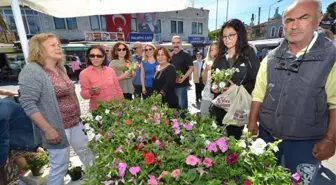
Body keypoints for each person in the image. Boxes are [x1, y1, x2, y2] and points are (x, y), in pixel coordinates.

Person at [248, 0, 336, 184]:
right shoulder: (271, 58)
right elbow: (259, 93)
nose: (294, 25)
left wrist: (330, 139)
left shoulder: (331, 57)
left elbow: (334, 103)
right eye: (288, 20)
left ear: (318, 20)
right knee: (261, 178)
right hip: (267, 134)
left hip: (305, 142)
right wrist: (252, 122)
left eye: (303, 17)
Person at [18, 33, 94, 185]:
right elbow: (28, 103)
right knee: (59, 166)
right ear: (40, 49)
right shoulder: (32, 70)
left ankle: (95, 180)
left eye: (58, 45)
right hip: (57, 129)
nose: (58, 47)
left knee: (88, 155)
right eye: (53, 45)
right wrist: (47, 129)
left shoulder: (60, 69)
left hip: (75, 123)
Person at [210, 19, 260, 140]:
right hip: (220, 108)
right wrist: (217, 87)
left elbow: (257, 83)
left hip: (238, 110)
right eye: (224, 36)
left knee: (233, 143)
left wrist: (237, 88)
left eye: (231, 35)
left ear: (240, 34)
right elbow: (215, 81)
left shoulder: (249, 56)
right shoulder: (220, 58)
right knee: (217, 143)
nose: (227, 39)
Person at [79, 45, 123, 111]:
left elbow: (118, 88)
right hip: (98, 111)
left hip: (115, 107)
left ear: (103, 57)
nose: (95, 58)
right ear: (89, 57)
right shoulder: (84, 73)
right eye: (92, 55)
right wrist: (90, 92)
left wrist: (121, 103)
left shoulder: (110, 70)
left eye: (99, 56)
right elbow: (84, 96)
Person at [170, 35, 194, 110]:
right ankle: (176, 121)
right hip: (172, 84)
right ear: (172, 44)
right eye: (174, 43)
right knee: (175, 104)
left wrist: (183, 78)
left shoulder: (185, 54)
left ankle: (184, 121)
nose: (175, 44)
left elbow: (191, 67)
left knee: (182, 105)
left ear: (181, 43)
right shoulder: (171, 55)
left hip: (182, 84)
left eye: (178, 42)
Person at [200, 42, 219, 116]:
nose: (213, 51)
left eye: (216, 49)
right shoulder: (207, 63)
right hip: (207, 95)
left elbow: (224, 82)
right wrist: (206, 70)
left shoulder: (223, 63)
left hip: (219, 97)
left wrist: (220, 86)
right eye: (211, 50)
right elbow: (204, 82)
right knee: (204, 117)